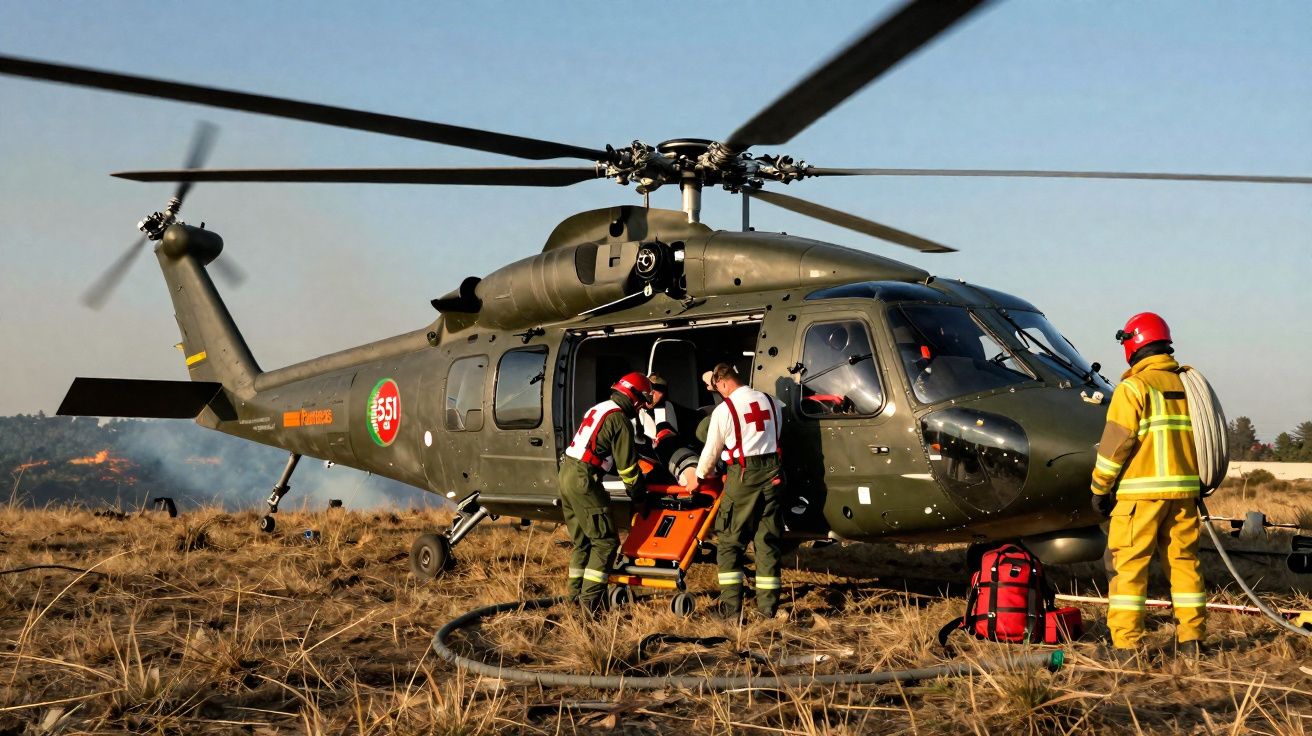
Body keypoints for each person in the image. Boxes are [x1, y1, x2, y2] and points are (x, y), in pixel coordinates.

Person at [1089, 312, 1206, 659]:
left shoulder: (1134, 387)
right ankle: (1192, 642)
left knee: (1129, 569)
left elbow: (1116, 444)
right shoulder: (1189, 385)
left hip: (1140, 496)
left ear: (1132, 344)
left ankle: (1126, 647)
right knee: (1185, 564)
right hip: (1185, 495)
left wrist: (1099, 488)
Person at [691, 363, 785, 619]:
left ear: (722, 383)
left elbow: (711, 451)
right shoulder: (771, 402)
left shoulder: (725, 410)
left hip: (744, 475)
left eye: (716, 387)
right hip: (774, 473)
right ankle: (768, 609)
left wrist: (699, 477)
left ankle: (731, 609)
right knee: (766, 541)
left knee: (730, 542)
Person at [559, 372, 652, 611]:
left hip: (567, 473)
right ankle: (590, 605)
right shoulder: (620, 420)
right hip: (584, 480)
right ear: (633, 396)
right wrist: (639, 497)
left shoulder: (600, 408)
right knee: (605, 543)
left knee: (583, 543)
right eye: (643, 399)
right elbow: (628, 469)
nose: (644, 405)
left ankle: (574, 600)